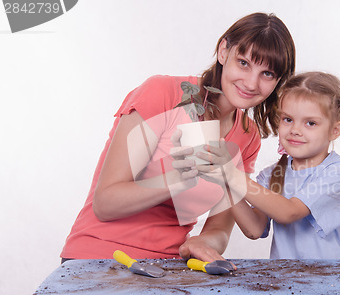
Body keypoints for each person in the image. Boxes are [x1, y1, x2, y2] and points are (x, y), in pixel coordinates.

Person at [60, 12, 296, 262]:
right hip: (97, 258)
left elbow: (219, 229)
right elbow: (106, 204)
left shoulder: (247, 137)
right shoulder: (162, 94)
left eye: (267, 73)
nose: (251, 82)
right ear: (224, 51)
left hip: (168, 267)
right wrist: (178, 179)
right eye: (244, 63)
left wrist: (201, 243)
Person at [197, 72, 340, 259]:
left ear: (335, 130)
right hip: (286, 284)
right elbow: (254, 229)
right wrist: (225, 180)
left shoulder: (337, 172)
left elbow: (289, 212)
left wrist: (233, 175)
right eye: (288, 119)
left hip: (328, 284)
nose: (295, 130)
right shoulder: (271, 175)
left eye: (310, 123)